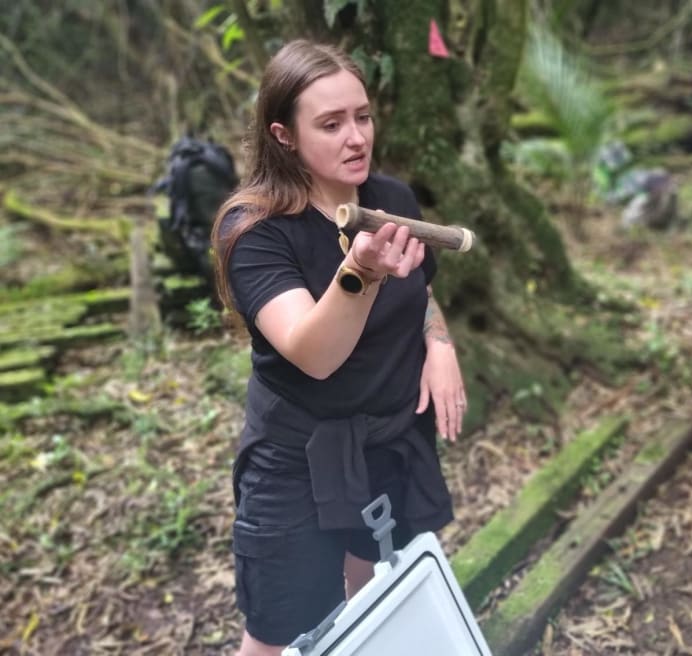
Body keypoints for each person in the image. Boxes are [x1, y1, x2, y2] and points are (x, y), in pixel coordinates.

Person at [210, 40, 467, 655]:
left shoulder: (393, 201)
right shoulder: (255, 230)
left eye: (363, 116)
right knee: (279, 633)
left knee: (376, 595)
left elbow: (422, 291)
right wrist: (362, 273)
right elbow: (313, 352)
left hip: (388, 440)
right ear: (284, 135)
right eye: (331, 124)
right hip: (298, 460)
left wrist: (441, 345)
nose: (356, 137)